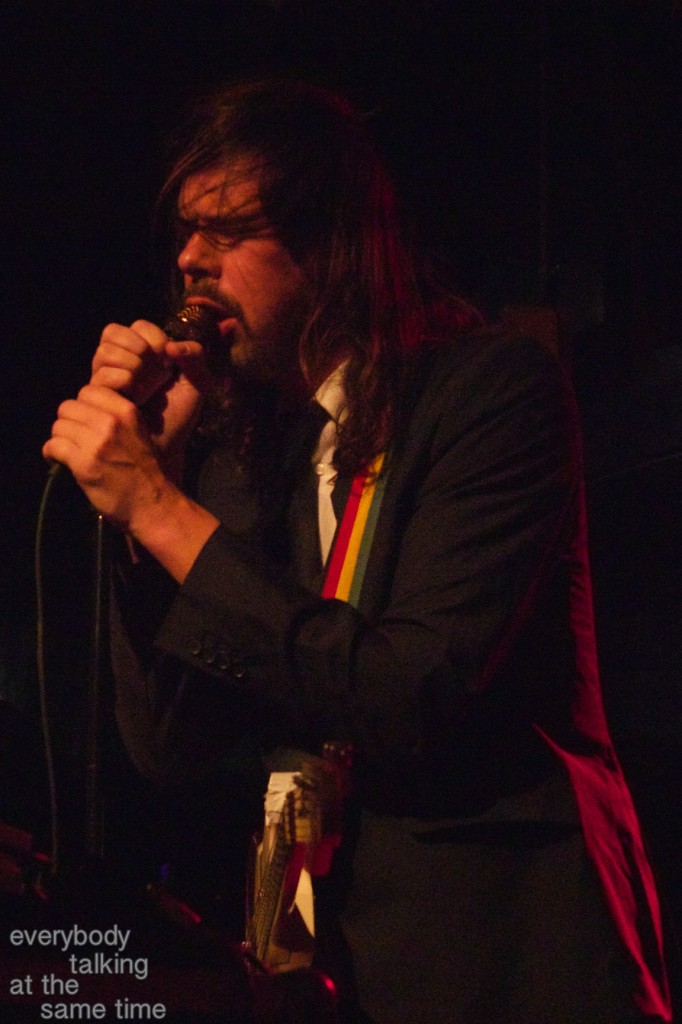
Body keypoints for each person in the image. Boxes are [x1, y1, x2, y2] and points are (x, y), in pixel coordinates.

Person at [43, 78, 672, 1023]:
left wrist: (163, 511)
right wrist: (146, 513)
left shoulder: (493, 392)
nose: (189, 259)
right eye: (186, 231)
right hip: (336, 973)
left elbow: (408, 694)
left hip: (509, 958)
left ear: (330, 243)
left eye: (227, 231)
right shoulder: (252, 457)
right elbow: (170, 746)